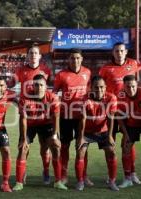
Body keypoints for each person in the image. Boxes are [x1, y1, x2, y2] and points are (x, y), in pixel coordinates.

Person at [13, 74, 68, 191]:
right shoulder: (25, 98)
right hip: (30, 125)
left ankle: (57, 181)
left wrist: (55, 136)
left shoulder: (53, 98)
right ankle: (19, 182)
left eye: (41, 85)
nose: (39, 87)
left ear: (46, 86)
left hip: (46, 124)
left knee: (54, 148)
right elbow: (23, 119)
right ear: (33, 86)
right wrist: (23, 138)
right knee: (22, 149)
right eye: (36, 85)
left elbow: (56, 117)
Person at [99, 42, 141, 184]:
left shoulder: (133, 64)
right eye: (116, 51)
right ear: (113, 52)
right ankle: (111, 174)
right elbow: (99, 87)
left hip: (127, 111)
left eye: (122, 51)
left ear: (126, 52)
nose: (119, 53)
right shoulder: (105, 69)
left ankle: (132, 172)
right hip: (110, 111)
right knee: (109, 143)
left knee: (129, 142)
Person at [14, 44, 53, 184]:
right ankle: (22, 174)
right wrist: (15, 98)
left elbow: (50, 90)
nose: (33, 55)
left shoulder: (46, 70)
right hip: (27, 115)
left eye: (35, 53)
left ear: (40, 55)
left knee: (45, 147)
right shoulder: (20, 70)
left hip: (43, 115)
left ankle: (46, 171)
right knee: (24, 146)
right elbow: (9, 85)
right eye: (30, 53)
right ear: (27, 55)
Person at [53, 48, 92, 185]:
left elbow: (89, 92)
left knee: (82, 145)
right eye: (72, 58)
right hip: (66, 116)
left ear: (81, 59)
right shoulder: (61, 75)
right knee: (65, 146)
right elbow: (54, 93)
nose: (75, 60)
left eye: (77, 58)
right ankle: (64, 175)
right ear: (68, 60)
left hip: (82, 116)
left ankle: (83, 175)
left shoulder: (87, 72)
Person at [75, 76, 118, 191]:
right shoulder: (85, 99)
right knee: (80, 151)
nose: (99, 90)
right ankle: (80, 181)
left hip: (103, 131)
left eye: (101, 87)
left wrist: (109, 136)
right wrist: (81, 137)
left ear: (105, 87)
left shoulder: (111, 98)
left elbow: (111, 118)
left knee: (112, 151)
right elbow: (82, 119)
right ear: (91, 88)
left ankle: (112, 181)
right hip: (87, 132)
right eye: (96, 87)